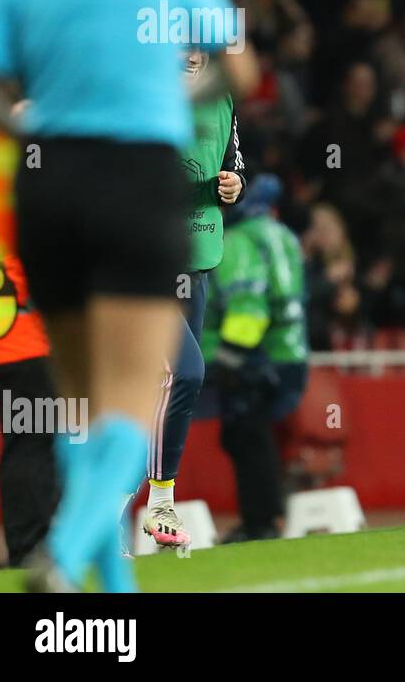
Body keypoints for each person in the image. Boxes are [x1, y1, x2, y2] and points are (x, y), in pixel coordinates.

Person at [0, 0, 257, 591]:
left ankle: (106, 597)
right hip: (138, 184)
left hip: (51, 184)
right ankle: (64, 556)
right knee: (133, 402)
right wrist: (168, 96)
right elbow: (238, 71)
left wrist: (36, 120)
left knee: (77, 400)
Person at [141, 47, 246, 548]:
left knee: (155, 389)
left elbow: (234, 160)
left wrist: (232, 184)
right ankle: (161, 503)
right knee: (185, 372)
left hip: (198, 255)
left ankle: (109, 510)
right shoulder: (143, 93)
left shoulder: (223, 96)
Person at [199, 175, 309, 541]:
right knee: (251, 434)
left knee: (246, 434)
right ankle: (265, 517)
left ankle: (261, 521)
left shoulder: (238, 241)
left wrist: (230, 357)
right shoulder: (283, 235)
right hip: (290, 349)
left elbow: (249, 303)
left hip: (253, 353)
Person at [0, 121, 59, 567]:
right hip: (23, 334)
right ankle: (30, 548)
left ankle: (33, 545)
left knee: (27, 441)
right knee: (33, 440)